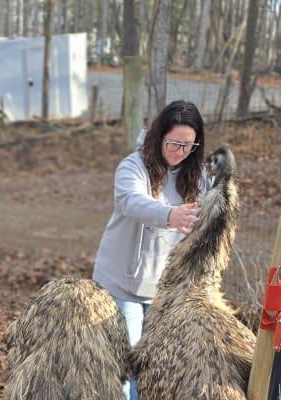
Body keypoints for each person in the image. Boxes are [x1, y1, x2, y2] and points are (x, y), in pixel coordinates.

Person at [91, 100, 211, 400]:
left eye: (188, 145)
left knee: (155, 371)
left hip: (165, 295)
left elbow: (209, 218)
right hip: (122, 286)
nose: (180, 151)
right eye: (173, 142)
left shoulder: (198, 176)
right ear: (159, 136)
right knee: (124, 368)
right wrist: (169, 215)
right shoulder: (132, 166)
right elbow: (130, 201)